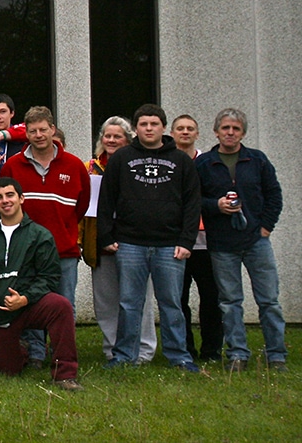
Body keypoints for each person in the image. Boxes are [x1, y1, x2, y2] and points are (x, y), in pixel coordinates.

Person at [98, 104, 201, 372]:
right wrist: (106, 236)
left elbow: (192, 204)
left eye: (154, 124)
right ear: (136, 128)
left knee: (171, 304)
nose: (149, 128)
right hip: (130, 243)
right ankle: (123, 356)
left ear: (163, 127)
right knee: (129, 303)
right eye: (143, 124)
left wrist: (186, 241)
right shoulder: (122, 158)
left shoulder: (180, 161)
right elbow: (106, 200)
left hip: (170, 245)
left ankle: (179, 356)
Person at [0, 107, 90, 368]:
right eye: (32, 131)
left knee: (65, 305)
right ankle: (36, 354)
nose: (38, 135)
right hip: (26, 251)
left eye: (43, 129)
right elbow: (7, 203)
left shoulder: (73, 165)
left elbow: (80, 207)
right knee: (31, 304)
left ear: (52, 130)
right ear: (25, 133)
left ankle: (62, 356)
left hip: (64, 250)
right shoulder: (13, 166)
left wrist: (64, 228)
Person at [197, 108, 286, 372]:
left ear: (243, 133)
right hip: (222, 244)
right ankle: (237, 353)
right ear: (216, 132)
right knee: (229, 301)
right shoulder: (204, 164)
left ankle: (276, 354)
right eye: (225, 128)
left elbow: (274, 195)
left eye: (236, 129)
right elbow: (194, 201)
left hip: (256, 241)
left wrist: (266, 227)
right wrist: (217, 206)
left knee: (269, 300)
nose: (230, 133)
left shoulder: (256, 160)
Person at [0, 178, 82, 391]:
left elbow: (49, 277)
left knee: (61, 307)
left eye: (10, 195)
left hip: (29, 305)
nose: (5, 201)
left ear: (21, 198)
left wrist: (25, 298)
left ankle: (65, 375)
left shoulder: (40, 235)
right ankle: (18, 347)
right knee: (8, 370)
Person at [83, 116, 156, 362]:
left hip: (133, 241)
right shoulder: (90, 167)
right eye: (107, 135)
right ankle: (113, 349)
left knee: (138, 299)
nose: (111, 140)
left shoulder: (138, 166)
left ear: (128, 140)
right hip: (100, 243)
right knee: (106, 302)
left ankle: (143, 349)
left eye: (117, 136)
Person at [171, 114, 222, 363]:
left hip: (207, 242)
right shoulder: (168, 162)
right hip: (177, 241)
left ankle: (211, 351)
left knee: (211, 298)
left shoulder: (208, 162)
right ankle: (186, 350)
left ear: (197, 134)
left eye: (190, 128)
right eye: (180, 128)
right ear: (172, 134)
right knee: (179, 300)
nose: (185, 132)